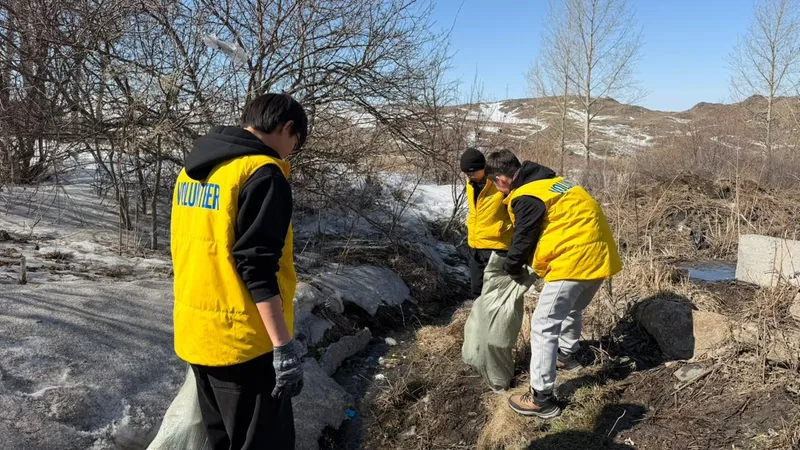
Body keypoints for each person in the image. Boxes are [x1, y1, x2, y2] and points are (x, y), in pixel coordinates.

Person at [170, 93, 308, 449]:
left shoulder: (194, 170)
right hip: (246, 343)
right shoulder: (262, 174)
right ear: (287, 128)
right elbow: (257, 266)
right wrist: (283, 346)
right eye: (295, 143)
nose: (290, 152)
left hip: (199, 335)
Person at [484, 150, 622, 419]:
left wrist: (511, 267)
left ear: (501, 179)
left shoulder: (526, 195)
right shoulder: (554, 182)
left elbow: (524, 236)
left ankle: (541, 398)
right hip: (600, 256)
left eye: (496, 185)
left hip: (573, 259)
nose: (498, 192)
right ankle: (567, 354)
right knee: (572, 308)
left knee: (543, 325)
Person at [461, 147, 514, 297]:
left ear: (483, 168)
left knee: (496, 294)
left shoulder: (500, 184)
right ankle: (480, 319)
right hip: (475, 246)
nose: (469, 176)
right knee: (477, 291)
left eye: (472, 172)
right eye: (466, 173)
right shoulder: (470, 184)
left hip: (497, 248)